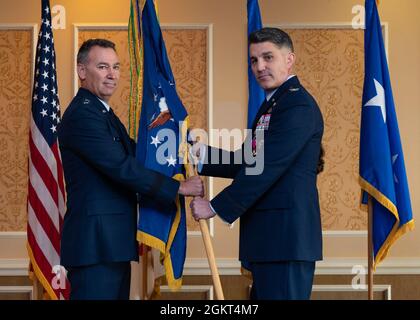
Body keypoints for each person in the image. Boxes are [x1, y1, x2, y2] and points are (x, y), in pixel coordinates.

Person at [57, 39, 203, 300]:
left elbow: (139, 153)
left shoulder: (104, 113)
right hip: (96, 246)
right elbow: (122, 167)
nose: (112, 75)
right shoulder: (83, 115)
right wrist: (178, 187)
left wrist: (177, 143)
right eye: (103, 67)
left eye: (116, 67)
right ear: (82, 71)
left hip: (110, 243)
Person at [190, 28, 324, 300]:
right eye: (254, 60)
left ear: (289, 59)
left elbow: (266, 167)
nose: (260, 67)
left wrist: (214, 206)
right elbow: (251, 159)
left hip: (285, 240)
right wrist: (201, 154)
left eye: (268, 57)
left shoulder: (297, 105)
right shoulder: (275, 103)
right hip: (269, 239)